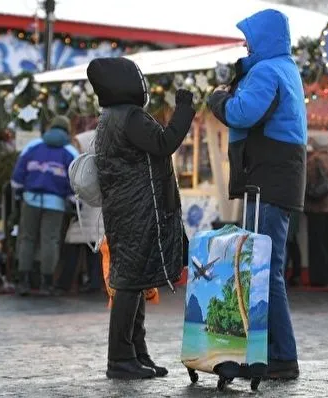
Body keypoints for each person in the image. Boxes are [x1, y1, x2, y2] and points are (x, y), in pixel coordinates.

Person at [207, 9, 305, 380]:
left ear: (263, 37)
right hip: (274, 177)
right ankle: (271, 353)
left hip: (267, 179)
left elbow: (243, 113)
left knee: (264, 270)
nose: (244, 43)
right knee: (264, 268)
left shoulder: (267, 71)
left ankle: (281, 356)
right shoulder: (284, 68)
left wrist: (217, 100)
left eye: (248, 37)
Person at [87, 57, 195, 380]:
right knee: (130, 283)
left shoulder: (109, 117)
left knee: (134, 281)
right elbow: (164, 143)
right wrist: (185, 108)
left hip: (124, 210)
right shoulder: (130, 116)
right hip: (137, 211)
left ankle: (137, 353)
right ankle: (121, 359)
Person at [11, 115, 78, 296]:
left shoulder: (33, 146)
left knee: (27, 238)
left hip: (30, 199)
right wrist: (73, 202)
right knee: (50, 241)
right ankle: (46, 284)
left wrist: (18, 191)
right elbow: (76, 180)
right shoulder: (70, 151)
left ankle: (23, 281)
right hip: (55, 203)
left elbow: (18, 172)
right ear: (67, 130)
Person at [56, 129, 104, 294]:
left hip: (83, 210)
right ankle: (94, 282)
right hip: (94, 212)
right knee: (93, 249)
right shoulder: (98, 162)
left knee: (73, 247)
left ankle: (65, 283)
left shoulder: (83, 164)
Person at [305, 136, 328, 287]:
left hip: (317, 207)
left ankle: (320, 278)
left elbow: (309, 183)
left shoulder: (313, 161)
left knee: (318, 244)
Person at [285, 211, 302, 286]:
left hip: (288, 213)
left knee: (288, 246)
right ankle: (296, 275)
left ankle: (293, 275)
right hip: (293, 211)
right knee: (292, 246)